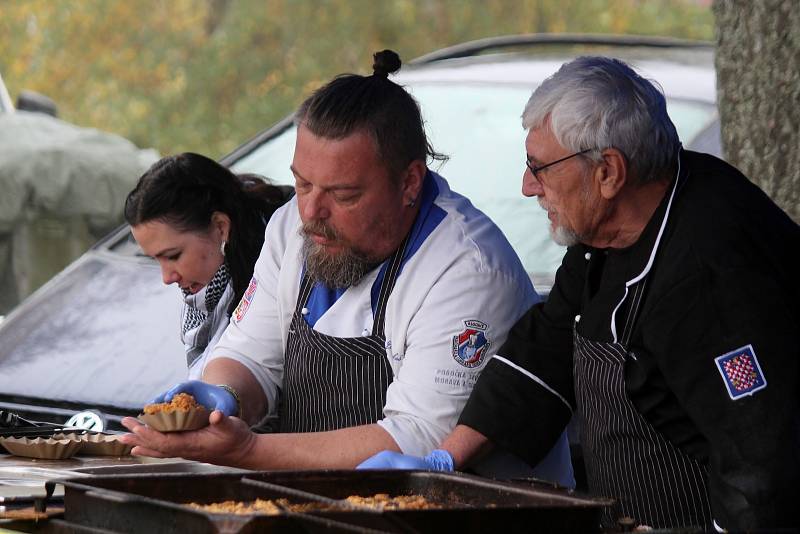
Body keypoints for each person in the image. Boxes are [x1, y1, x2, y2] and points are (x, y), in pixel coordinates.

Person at [358, 56, 800, 532]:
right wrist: (441, 461)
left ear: (608, 173)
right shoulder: (606, 232)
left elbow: (762, 460)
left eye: (540, 167)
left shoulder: (708, 271)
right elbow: (548, 347)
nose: (528, 187)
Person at [119, 50, 573, 484]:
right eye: (302, 183)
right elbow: (248, 355)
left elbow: (418, 440)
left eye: (343, 195)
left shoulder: (468, 269)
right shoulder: (290, 228)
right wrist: (223, 400)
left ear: (409, 182)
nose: (311, 211)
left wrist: (246, 452)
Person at [125, 153, 288, 379]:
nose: (167, 278)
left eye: (173, 256)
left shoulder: (287, 276)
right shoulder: (210, 295)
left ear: (221, 227)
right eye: (155, 259)